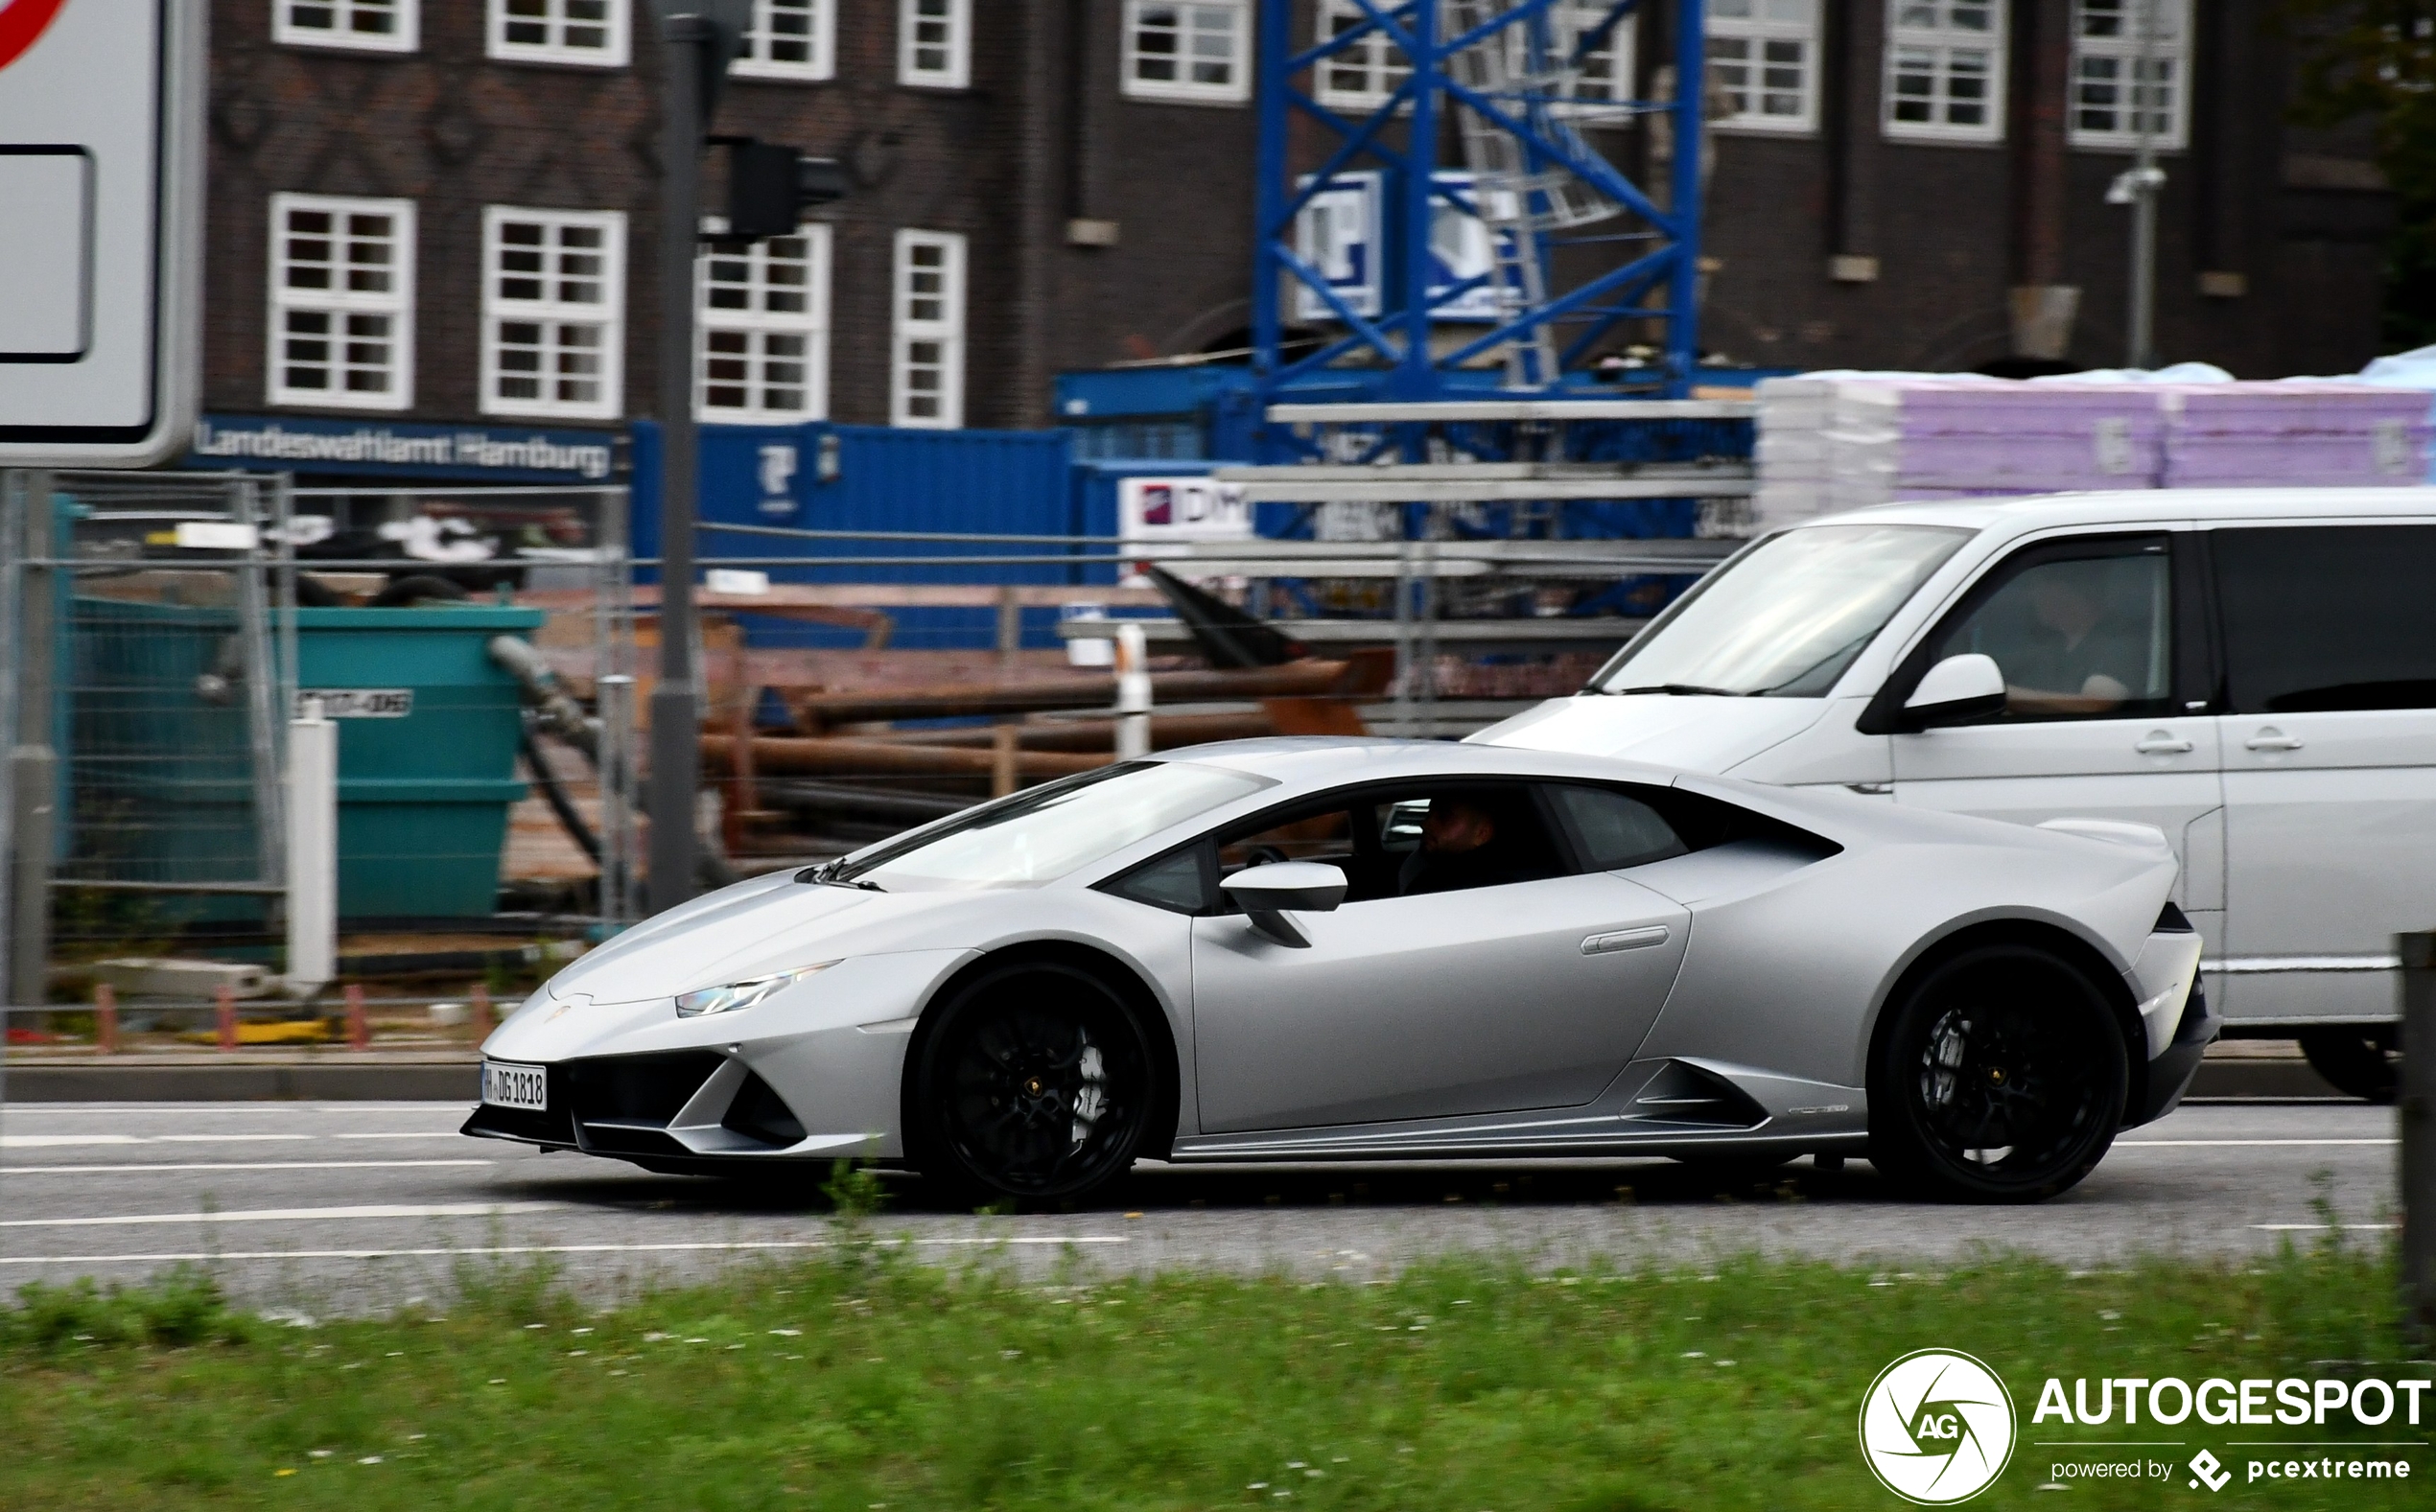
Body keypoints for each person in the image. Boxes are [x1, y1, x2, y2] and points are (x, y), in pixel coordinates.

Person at [1397, 796, 1534, 896]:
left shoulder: (1497, 887)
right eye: (1429, 813)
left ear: (1482, 834)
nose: (1425, 824)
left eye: (1444, 817)